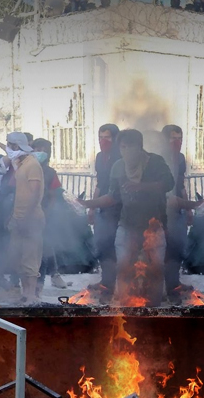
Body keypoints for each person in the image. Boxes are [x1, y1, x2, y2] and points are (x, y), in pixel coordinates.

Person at [79, 130, 177, 306]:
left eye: (129, 147)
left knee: (155, 268)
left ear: (139, 147)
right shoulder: (118, 166)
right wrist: (89, 203)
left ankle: (154, 305)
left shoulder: (155, 162)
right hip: (126, 225)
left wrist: (141, 187)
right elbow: (113, 197)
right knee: (124, 267)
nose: (125, 151)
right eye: (122, 147)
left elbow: (169, 184)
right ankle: (125, 306)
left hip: (153, 226)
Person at [5, 132, 44, 302]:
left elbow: (35, 193)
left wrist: (26, 218)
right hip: (18, 218)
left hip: (31, 219)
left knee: (30, 256)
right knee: (17, 256)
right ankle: (24, 291)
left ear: (16, 146)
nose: (8, 148)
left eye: (9, 145)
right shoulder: (21, 164)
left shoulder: (32, 164)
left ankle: (31, 294)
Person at [88, 124, 121, 301]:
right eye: (100, 137)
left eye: (106, 137)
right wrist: (92, 208)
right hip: (103, 208)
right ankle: (106, 281)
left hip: (119, 209)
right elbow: (99, 184)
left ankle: (116, 286)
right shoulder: (100, 157)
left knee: (117, 247)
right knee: (102, 245)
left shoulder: (121, 157)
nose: (103, 141)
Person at [31, 138, 68, 293]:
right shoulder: (26, 167)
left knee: (44, 248)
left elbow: (53, 195)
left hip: (43, 214)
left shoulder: (50, 172)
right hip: (27, 214)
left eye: (45, 149)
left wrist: (46, 214)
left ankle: (40, 283)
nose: (41, 152)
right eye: (38, 148)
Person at [160, 125, 192, 304]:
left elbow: (181, 185)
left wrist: (188, 209)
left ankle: (173, 285)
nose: (177, 142)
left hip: (178, 209)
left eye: (180, 138)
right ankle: (160, 288)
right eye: (173, 139)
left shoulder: (180, 158)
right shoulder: (157, 158)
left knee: (177, 247)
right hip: (160, 211)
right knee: (160, 249)